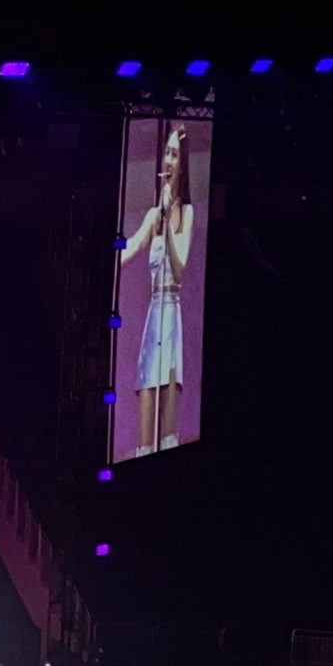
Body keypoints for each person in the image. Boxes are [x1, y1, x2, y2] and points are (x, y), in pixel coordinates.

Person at [117, 123, 196, 458]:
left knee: (168, 428)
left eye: (174, 155)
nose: (167, 161)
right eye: (166, 153)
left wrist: (167, 218)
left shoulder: (186, 214)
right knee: (145, 409)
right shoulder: (152, 216)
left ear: (183, 165)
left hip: (171, 316)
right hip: (153, 318)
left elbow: (179, 267)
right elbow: (131, 247)